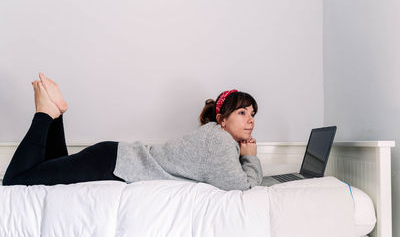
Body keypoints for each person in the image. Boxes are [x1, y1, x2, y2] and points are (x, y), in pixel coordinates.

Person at [2, 73, 263, 190]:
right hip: (111, 163)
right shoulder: (218, 140)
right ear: (222, 120)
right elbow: (240, 185)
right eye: (242, 112)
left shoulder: (216, 138)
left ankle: (56, 115)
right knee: (16, 180)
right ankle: (45, 114)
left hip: (112, 159)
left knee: (49, 170)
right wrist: (250, 157)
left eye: (252, 114)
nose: (250, 119)